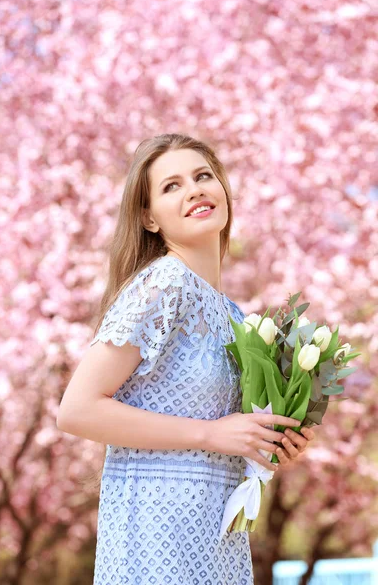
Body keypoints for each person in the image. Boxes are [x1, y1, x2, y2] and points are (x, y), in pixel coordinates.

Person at [57, 133, 315, 584]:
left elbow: (229, 435)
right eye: (171, 186)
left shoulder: (235, 315)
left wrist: (270, 442)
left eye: (203, 176)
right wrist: (210, 434)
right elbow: (77, 410)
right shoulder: (161, 286)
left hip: (218, 534)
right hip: (155, 531)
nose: (195, 189)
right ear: (149, 218)